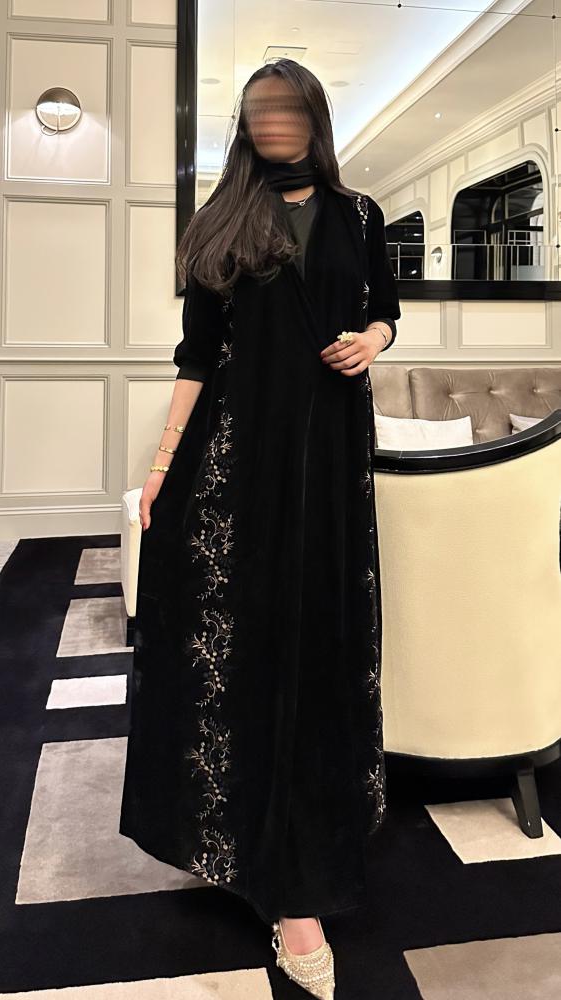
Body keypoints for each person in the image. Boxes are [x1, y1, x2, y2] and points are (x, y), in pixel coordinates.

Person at [119, 56, 400, 1000]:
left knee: (317, 652)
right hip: (236, 463)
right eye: (256, 113)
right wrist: (161, 469)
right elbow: (197, 357)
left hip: (331, 464)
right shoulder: (224, 219)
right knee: (238, 647)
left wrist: (373, 340)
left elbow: (386, 312)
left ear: (314, 116)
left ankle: (299, 870)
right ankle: (246, 851)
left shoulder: (362, 217)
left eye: (286, 110)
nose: (272, 124)